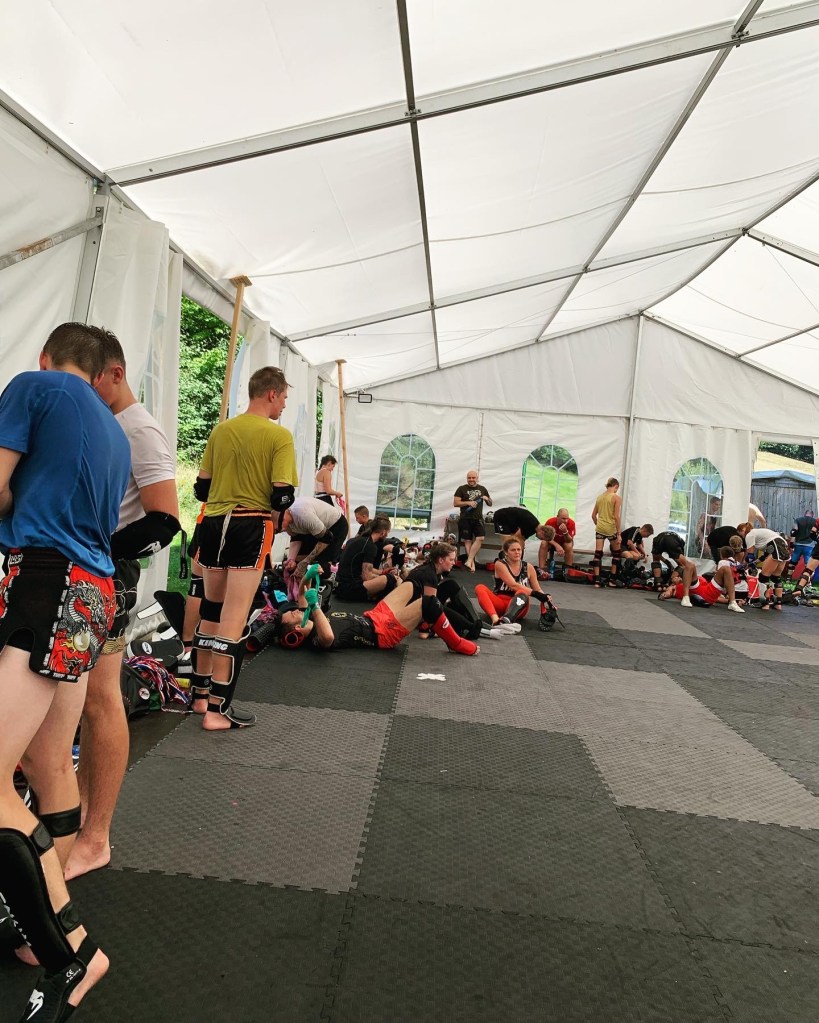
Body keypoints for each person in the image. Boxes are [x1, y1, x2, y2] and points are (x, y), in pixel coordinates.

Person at [0, 322, 130, 1020]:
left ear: (48, 357)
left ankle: (70, 951)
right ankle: (40, 921)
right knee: (49, 765)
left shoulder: (34, 387)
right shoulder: (112, 428)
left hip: (47, 582)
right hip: (89, 594)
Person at [60, 334, 179, 882]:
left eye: (89, 380)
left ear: (114, 373)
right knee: (84, 703)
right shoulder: (102, 423)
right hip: (85, 572)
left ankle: (95, 836)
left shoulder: (139, 429)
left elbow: (165, 521)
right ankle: (81, 816)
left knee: (101, 700)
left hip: (109, 576)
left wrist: (99, 554)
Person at [193, 366, 297, 730]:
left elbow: (201, 490)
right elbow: (282, 495)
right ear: (271, 393)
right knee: (234, 617)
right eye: (284, 398)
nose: (284, 405)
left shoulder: (221, 430)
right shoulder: (279, 436)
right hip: (250, 525)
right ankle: (217, 711)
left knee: (211, 609)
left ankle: (200, 696)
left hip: (212, 524)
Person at [277, 542, 479, 655]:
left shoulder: (306, 615)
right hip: (382, 633)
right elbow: (329, 638)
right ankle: (455, 642)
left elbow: (302, 593)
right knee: (429, 602)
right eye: (292, 615)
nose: (294, 610)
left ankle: (427, 618)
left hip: (374, 616)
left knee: (409, 584)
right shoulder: (317, 638)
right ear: (297, 629)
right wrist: (315, 606)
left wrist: (309, 574)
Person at [474, 537, 558, 631]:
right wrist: (537, 594)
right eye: (513, 550)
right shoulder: (500, 564)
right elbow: (513, 585)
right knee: (479, 587)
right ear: (506, 552)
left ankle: (506, 620)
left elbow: (537, 589)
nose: (517, 552)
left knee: (522, 592)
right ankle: (495, 620)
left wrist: (547, 600)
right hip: (500, 603)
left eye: (519, 549)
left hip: (519, 606)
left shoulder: (529, 567)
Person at [282, 496, 349, 578]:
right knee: (298, 561)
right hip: (316, 527)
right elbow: (296, 538)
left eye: (281, 528)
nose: (282, 530)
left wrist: (305, 562)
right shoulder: (287, 518)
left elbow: (327, 538)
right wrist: (291, 560)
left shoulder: (304, 516)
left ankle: (333, 570)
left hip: (336, 526)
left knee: (321, 565)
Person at [335, 516, 398, 601]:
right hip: (348, 589)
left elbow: (365, 568)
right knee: (390, 579)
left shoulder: (355, 540)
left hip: (340, 586)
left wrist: (382, 572)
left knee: (387, 577)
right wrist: (385, 576)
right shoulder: (370, 546)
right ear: (383, 532)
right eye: (388, 532)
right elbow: (367, 577)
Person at [658, 559, 745, 612]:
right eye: (675, 578)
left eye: (677, 576)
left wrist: (729, 601)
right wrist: (664, 595)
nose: (677, 577)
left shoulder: (695, 578)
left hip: (708, 590)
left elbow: (717, 599)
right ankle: (686, 597)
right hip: (695, 591)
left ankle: (732, 603)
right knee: (689, 565)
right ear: (673, 582)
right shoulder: (675, 587)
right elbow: (668, 592)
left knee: (726, 569)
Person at [453, 470, 492, 571]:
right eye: (469, 478)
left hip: (478, 519)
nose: (471, 479)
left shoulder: (482, 489)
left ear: (477, 478)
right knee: (468, 540)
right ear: (467, 478)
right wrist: (468, 503)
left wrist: (487, 499)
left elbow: (490, 503)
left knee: (480, 538)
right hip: (465, 518)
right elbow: (456, 503)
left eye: (473, 478)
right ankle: (471, 564)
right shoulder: (461, 489)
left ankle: (469, 560)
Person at [744, 527, 789, 610]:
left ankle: (765, 603)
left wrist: (748, 565)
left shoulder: (749, 535)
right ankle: (778, 604)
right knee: (776, 577)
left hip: (776, 546)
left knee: (763, 577)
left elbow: (750, 557)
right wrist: (754, 563)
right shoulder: (762, 534)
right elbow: (766, 554)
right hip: (783, 546)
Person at [590, 477, 622, 588]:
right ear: (616, 486)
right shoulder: (616, 498)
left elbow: (593, 515)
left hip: (600, 528)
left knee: (598, 554)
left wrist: (598, 525)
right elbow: (616, 517)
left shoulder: (600, 497)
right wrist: (619, 533)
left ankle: (597, 581)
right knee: (617, 554)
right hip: (611, 528)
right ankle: (612, 580)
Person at [787, 510, 817, 580]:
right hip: (810, 545)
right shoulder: (815, 521)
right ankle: (808, 581)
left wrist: (791, 543)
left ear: (805, 514)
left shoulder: (798, 520)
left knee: (793, 562)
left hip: (798, 545)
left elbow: (794, 532)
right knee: (809, 565)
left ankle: (788, 578)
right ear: (812, 515)